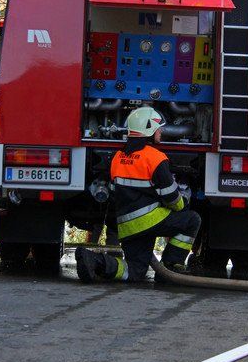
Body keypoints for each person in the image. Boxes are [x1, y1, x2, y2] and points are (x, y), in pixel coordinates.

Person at [75, 106, 201, 283]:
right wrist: (182, 205)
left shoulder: (118, 157)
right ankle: (170, 267)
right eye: (158, 128)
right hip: (152, 222)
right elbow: (172, 198)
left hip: (128, 227)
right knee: (192, 220)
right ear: (149, 129)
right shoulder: (156, 158)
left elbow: (114, 193)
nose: (161, 131)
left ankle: (95, 261)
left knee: (134, 272)